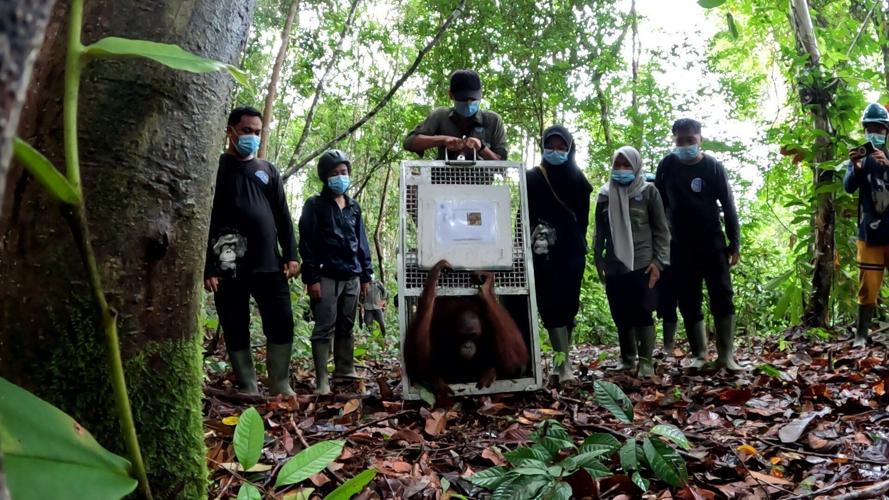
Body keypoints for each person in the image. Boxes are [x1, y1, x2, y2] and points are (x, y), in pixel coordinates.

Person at [204, 106, 300, 396]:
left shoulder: (267, 170)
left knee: (281, 319)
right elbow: (204, 219)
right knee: (234, 322)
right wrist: (209, 266)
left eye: (257, 132)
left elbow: (283, 216)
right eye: (247, 131)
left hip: (268, 259)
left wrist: (292, 254)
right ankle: (248, 386)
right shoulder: (214, 167)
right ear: (230, 131)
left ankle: (280, 385)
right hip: (228, 256)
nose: (252, 137)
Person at [655, 118, 742, 371]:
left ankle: (726, 356)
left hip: (712, 243)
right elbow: (658, 206)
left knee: (722, 295)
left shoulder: (713, 167)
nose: (685, 145)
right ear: (674, 140)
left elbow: (728, 205)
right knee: (688, 299)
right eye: (680, 140)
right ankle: (700, 355)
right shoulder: (667, 166)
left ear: (700, 139)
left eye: (690, 140)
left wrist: (734, 243)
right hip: (679, 245)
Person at [299, 149, 373, 395]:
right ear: (325, 177)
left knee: (346, 325)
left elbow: (361, 242)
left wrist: (366, 275)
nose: (340, 177)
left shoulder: (354, 207)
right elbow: (306, 243)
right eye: (334, 173)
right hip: (326, 275)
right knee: (324, 326)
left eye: (343, 172)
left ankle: (344, 368)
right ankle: (322, 380)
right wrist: (311, 278)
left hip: (351, 274)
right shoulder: (314, 205)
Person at [594, 146, 670, 377]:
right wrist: (599, 261)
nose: (621, 169)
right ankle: (627, 358)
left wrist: (659, 262)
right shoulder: (605, 195)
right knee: (621, 313)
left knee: (642, 312)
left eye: (627, 165)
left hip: (643, 264)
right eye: (618, 164)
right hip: (615, 265)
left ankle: (646, 361)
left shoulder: (648, 192)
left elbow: (661, 230)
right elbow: (600, 233)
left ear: (636, 166)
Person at [527, 125, 593, 384]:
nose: (555, 151)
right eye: (550, 146)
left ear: (569, 148)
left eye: (561, 146)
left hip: (571, 251)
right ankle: (561, 364)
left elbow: (584, 220)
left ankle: (564, 362)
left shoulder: (578, 179)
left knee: (568, 304)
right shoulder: (532, 177)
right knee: (550, 304)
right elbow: (525, 214)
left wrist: (576, 241)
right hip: (543, 251)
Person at [844, 103, 889, 348]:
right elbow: (848, 186)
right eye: (871, 129)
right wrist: (857, 167)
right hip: (869, 232)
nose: (875, 134)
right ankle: (861, 334)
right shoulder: (860, 159)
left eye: (880, 130)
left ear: (887, 133)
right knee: (868, 286)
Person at [403, 69, 507, 160]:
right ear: (451, 95)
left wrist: (481, 148)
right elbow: (409, 143)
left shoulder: (493, 120)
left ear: (481, 94)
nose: (469, 103)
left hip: (480, 181)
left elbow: (501, 162)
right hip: (444, 180)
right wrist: (443, 140)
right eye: (463, 99)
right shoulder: (440, 116)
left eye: (473, 98)